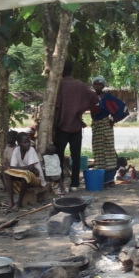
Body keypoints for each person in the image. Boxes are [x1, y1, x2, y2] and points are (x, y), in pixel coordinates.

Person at [55, 61, 99, 192]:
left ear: (61, 71)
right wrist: (81, 108)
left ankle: (60, 183)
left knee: (58, 155)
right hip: (76, 125)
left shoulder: (58, 85)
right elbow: (94, 98)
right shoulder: (80, 85)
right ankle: (74, 184)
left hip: (60, 125)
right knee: (76, 155)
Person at [90, 76, 123, 184]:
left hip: (106, 126)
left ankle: (109, 179)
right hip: (96, 127)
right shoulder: (91, 97)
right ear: (93, 85)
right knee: (98, 152)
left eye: (99, 84)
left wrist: (113, 120)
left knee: (108, 151)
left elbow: (121, 108)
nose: (97, 86)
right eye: (95, 84)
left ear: (103, 86)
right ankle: (101, 179)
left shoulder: (108, 97)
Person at [4, 132, 46, 213]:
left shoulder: (31, 150)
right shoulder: (16, 150)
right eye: (25, 142)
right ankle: (11, 203)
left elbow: (30, 169)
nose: (28, 144)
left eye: (28, 142)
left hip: (36, 179)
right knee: (7, 173)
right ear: (19, 143)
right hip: (24, 176)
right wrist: (27, 168)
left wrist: (20, 168)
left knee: (25, 174)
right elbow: (12, 168)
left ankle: (19, 203)